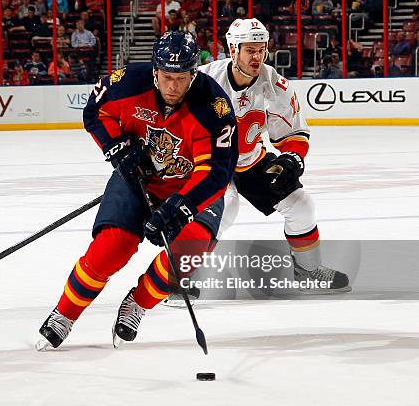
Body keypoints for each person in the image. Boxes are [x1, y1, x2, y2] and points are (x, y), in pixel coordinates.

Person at [36, 31, 238, 351]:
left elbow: (217, 172)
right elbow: (96, 112)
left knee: (189, 252)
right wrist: (115, 147)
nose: (174, 86)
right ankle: (65, 313)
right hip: (138, 179)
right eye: (167, 77)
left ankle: (139, 304)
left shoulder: (213, 108)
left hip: (190, 189)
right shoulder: (129, 82)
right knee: (110, 249)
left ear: (194, 74)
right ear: (155, 72)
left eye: (182, 77)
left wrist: (180, 206)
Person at [199, 18, 350, 294]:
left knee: (301, 204)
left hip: (249, 160)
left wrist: (292, 159)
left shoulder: (276, 85)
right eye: (249, 50)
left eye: (261, 49)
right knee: (222, 211)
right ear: (233, 50)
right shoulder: (204, 79)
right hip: (208, 163)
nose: (257, 57)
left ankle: (306, 270)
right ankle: (180, 276)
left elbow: (293, 134)